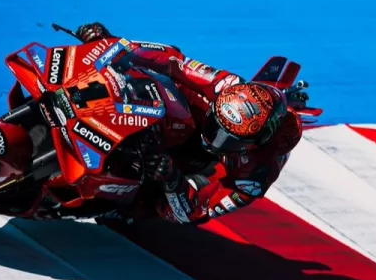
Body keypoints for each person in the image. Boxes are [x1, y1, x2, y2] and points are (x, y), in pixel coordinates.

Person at [32, 21, 311, 226]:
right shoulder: (226, 85)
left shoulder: (253, 176)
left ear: (253, 143)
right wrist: (113, 45)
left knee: (149, 208)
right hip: (174, 112)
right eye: (217, 126)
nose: (214, 138)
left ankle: (106, 197)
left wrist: (173, 180)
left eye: (227, 139)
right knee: (133, 76)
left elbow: (196, 212)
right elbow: (174, 60)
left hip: (191, 167)